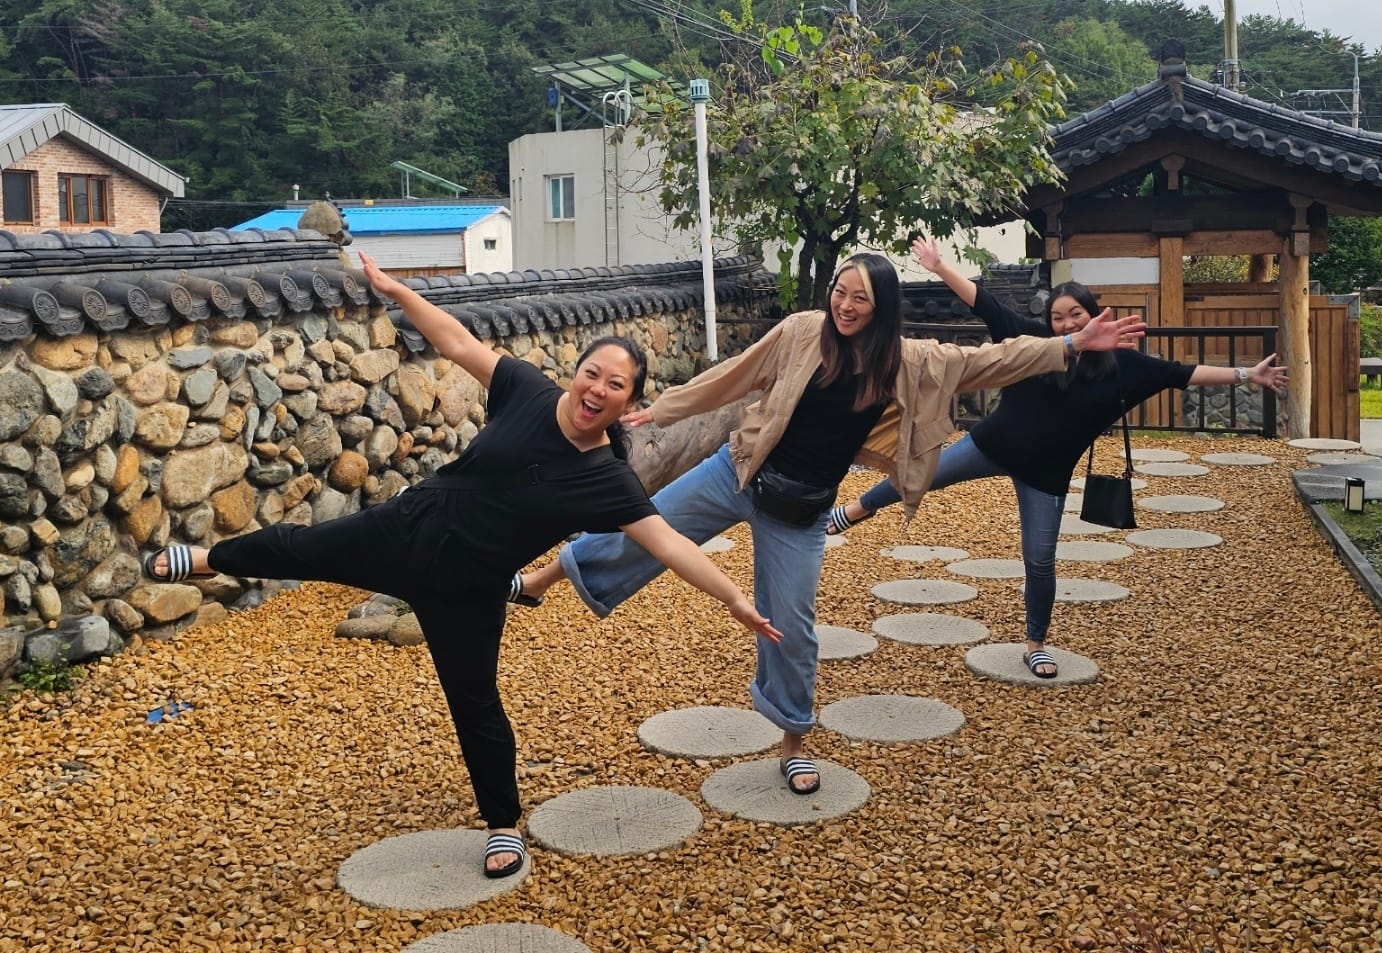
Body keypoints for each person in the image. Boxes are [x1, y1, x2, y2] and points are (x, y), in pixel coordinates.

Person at [142, 251, 783, 879]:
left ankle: (502, 824)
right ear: (576, 373)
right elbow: (454, 340)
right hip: (408, 529)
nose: (599, 389)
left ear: (628, 403)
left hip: (468, 590)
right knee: (299, 548)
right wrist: (396, 291)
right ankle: (206, 557)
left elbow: (667, 542)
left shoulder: (608, 480)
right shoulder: (528, 390)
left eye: (616, 385)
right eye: (594, 373)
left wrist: (733, 598)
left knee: (474, 704)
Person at [509, 252, 1145, 794]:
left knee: (792, 627)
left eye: (859, 298)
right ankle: (541, 579)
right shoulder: (800, 331)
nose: (845, 305)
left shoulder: (906, 359)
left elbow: (991, 360)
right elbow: (736, 376)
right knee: (643, 527)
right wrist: (664, 410)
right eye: (840, 291)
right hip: (737, 474)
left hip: (802, 512)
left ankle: (792, 741)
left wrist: (1067, 344)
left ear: (881, 307)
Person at [825, 237, 1289, 678]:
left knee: (1040, 560)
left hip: (1046, 475)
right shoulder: (1034, 342)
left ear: (1094, 314)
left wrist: (1248, 373)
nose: (1067, 324)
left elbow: (1182, 374)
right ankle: (851, 511)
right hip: (991, 444)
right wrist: (940, 266)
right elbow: (984, 302)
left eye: (1076, 314)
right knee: (918, 474)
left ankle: (1036, 643)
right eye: (1059, 317)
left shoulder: (1126, 366)